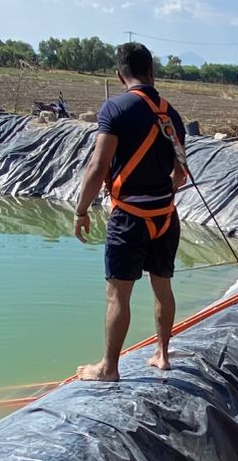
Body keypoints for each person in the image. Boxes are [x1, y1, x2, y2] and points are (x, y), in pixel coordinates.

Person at [73, 43, 187, 382]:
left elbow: (98, 165)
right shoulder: (171, 114)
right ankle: (162, 355)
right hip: (166, 216)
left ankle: (109, 368)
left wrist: (81, 210)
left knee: (117, 296)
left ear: (120, 75)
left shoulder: (115, 109)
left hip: (130, 217)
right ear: (152, 72)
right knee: (162, 288)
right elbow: (181, 174)